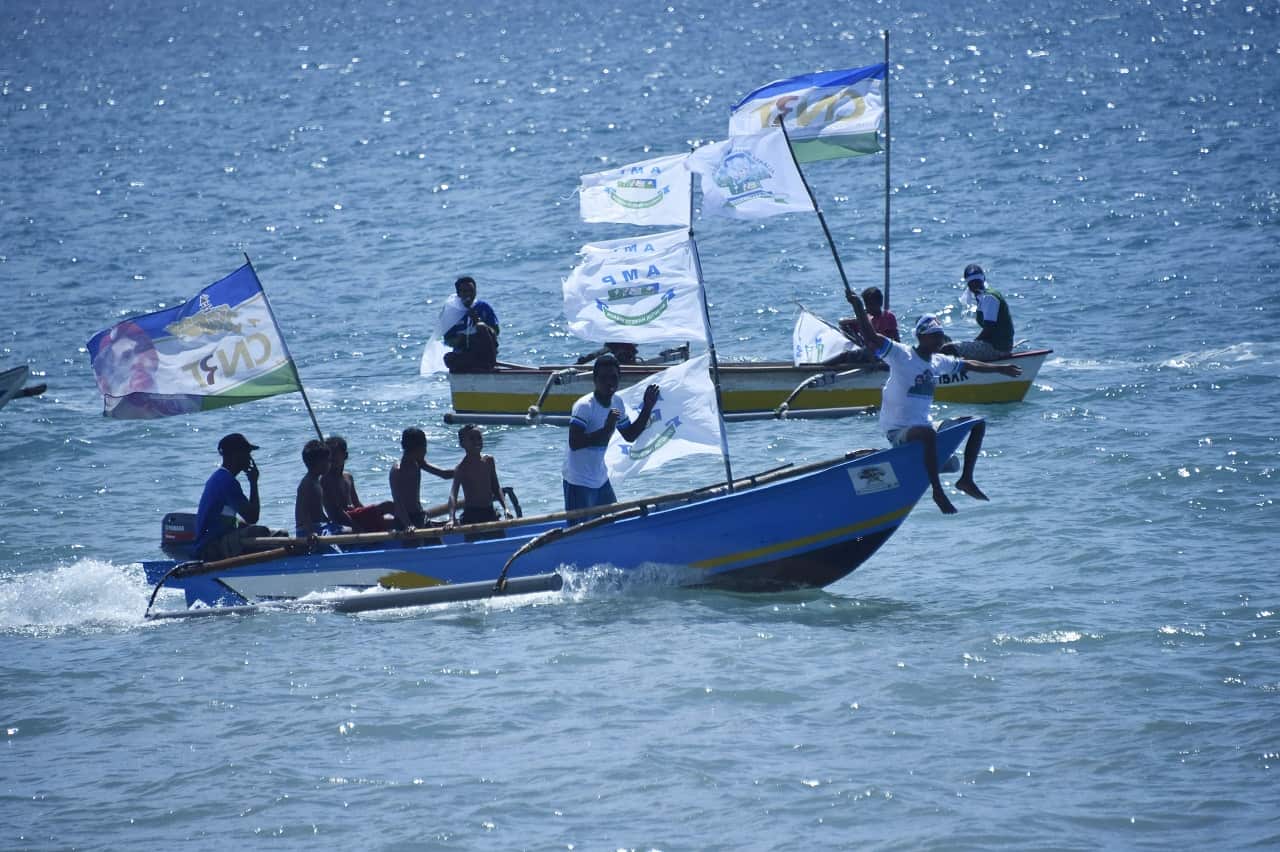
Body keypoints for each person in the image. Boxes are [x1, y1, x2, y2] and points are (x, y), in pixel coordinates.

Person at [847, 293, 1023, 515]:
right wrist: (858, 306)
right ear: (921, 337)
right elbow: (871, 337)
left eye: (940, 336)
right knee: (928, 434)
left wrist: (1000, 368)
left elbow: (968, 364)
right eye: (934, 336)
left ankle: (966, 480)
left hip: (925, 426)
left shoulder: (939, 361)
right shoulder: (902, 354)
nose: (939, 341)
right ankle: (937, 492)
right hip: (898, 431)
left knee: (977, 423)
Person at [562, 352, 660, 522]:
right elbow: (575, 443)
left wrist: (647, 407)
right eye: (604, 378)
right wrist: (606, 429)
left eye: (613, 378)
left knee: (614, 522)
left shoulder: (617, 403)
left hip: (600, 479)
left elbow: (630, 435)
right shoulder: (584, 406)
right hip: (578, 481)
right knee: (580, 531)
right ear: (595, 380)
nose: (609, 383)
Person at [193, 433, 273, 560]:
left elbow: (228, 517)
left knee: (279, 533)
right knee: (261, 532)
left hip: (215, 542)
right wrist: (253, 482)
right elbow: (253, 517)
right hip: (211, 547)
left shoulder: (220, 477)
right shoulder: (226, 481)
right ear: (235, 455)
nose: (250, 458)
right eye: (247, 453)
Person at [321, 435, 396, 533]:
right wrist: (354, 525)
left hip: (356, 516)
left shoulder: (348, 477)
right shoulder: (326, 479)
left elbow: (356, 503)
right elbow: (337, 511)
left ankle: (409, 531)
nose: (331, 457)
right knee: (388, 506)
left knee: (391, 520)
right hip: (342, 520)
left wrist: (372, 516)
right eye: (329, 454)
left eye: (334, 454)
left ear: (345, 455)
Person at [940, 264, 1014, 361]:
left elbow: (989, 329)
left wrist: (973, 343)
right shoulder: (982, 296)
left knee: (948, 348)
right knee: (945, 340)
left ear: (983, 280)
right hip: (996, 344)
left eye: (977, 282)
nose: (975, 286)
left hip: (998, 348)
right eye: (972, 283)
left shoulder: (988, 297)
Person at [448, 425, 513, 529]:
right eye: (472, 439)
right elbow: (453, 495)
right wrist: (451, 518)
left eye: (479, 438)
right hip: (471, 514)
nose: (477, 441)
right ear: (462, 444)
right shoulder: (461, 468)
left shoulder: (489, 461)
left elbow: (496, 487)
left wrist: (506, 508)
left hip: (489, 511)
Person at [389, 427, 455, 529]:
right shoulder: (397, 471)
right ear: (417, 448)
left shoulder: (418, 463)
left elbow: (444, 474)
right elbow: (398, 503)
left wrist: (463, 471)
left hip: (420, 515)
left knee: (439, 536)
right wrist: (409, 525)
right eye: (425, 447)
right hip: (403, 520)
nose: (426, 451)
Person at [824, 286, 900, 366]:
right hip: (867, 350)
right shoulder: (866, 317)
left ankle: (821, 366)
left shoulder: (888, 317)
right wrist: (858, 319)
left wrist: (896, 356)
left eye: (872, 305)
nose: (869, 308)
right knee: (846, 331)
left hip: (881, 353)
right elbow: (842, 322)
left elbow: (896, 338)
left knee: (844, 355)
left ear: (880, 303)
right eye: (867, 305)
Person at [443, 276, 500, 373]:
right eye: (465, 291)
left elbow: (496, 331)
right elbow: (448, 340)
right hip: (464, 352)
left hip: (484, 351)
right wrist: (461, 339)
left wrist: (476, 320)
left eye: (471, 291)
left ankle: (488, 365)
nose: (468, 294)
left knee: (481, 326)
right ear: (458, 293)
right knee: (448, 358)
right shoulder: (451, 312)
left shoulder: (483, 307)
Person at [295, 439, 334, 538]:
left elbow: (318, 512)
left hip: (319, 526)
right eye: (328, 461)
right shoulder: (307, 484)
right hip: (307, 530)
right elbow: (304, 513)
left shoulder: (316, 481)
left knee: (348, 530)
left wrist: (329, 522)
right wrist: (310, 533)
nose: (330, 464)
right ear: (318, 462)